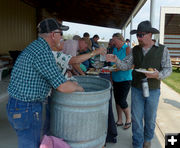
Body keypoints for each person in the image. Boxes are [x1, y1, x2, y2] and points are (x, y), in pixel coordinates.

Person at [6, 18, 84, 148]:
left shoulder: (37, 46)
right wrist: (79, 88)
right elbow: (62, 86)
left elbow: (52, 76)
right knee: (30, 145)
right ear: (53, 35)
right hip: (26, 108)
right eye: (61, 34)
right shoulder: (43, 52)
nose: (62, 38)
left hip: (19, 105)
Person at [106, 20, 172, 148]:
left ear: (150, 34)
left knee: (150, 118)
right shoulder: (135, 50)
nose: (139, 37)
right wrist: (116, 60)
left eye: (141, 35)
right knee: (136, 118)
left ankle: (147, 139)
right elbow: (126, 65)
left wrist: (158, 75)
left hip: (153, 89)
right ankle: (137, 143)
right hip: (136, 88)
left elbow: (168, 69)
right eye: (137, 35)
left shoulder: (162, 49)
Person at [111, 33, 132, 130]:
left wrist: (119, 68)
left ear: (120, 40)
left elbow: (131, 65)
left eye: (114, 40)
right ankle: (119, 120)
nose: (113, 42)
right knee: (117, 100)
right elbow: (112, 65)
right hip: (115, 78)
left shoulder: (127, 49)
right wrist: (111, 77)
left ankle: (128, 119)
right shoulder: (115, 49)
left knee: (122, 100)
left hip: (125, 79)